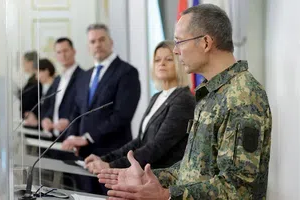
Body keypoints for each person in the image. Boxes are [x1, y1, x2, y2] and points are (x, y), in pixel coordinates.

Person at [98, 4, 272, 200]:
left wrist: (166, 195)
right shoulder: (210, 92)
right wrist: (150, 177)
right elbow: (193, 169)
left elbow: (237, 189)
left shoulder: (242, 97)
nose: (176, 51)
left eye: (179, 42)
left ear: (205, 43)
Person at [84, 40, 195, 174]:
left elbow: (157, 146)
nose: (162, 64)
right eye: (157, 60)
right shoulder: (157, 97)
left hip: (164, 179)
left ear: (180, 63)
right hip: (146, 174)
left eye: (169, 59)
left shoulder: (183, 99)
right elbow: (139, 141)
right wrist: (105, 159)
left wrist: (111, 166)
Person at [61, 23, 141, 159]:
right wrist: (72, 137)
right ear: (88, 47)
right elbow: (76, 111)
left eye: (102, 40)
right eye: (93, 41)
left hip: (112, 154)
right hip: (83, 153)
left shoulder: (127, 72)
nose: (97, 45)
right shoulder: (84, 76)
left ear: (111, 42)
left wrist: (88, 137)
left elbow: (122, 115)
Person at [41, 37, 84, 138]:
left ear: (73, 51)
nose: (63, 55)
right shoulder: (57, 79)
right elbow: (52, 105)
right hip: (55, 137)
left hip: (73, 137)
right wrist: (46, 118)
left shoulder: (84, 76)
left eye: (65, 51)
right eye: (59, 52)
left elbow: (85, 107)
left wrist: (70, 121)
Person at [24, 58, 59, 127]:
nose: (36, 77)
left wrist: (37, 123)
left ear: (46, 71)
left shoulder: (56, 87)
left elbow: (51, 114)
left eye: (38, 73)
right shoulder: (44, 87)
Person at [18, 51, 40, 119]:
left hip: (34, 121)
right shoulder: (31, 79)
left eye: (24, 62)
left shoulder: (37, 80)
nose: (22, 65)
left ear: (31, 63)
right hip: (28, 120)